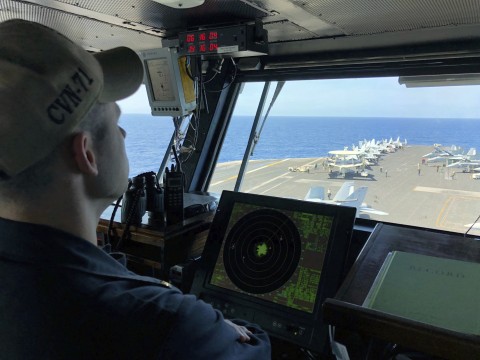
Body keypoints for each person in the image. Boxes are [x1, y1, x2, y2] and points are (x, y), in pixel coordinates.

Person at [0, 19, 270, 359]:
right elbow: (258, 347)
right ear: (87, 154)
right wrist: (209, 328)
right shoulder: (164, 325)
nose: (124, 135)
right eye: (116, 122)